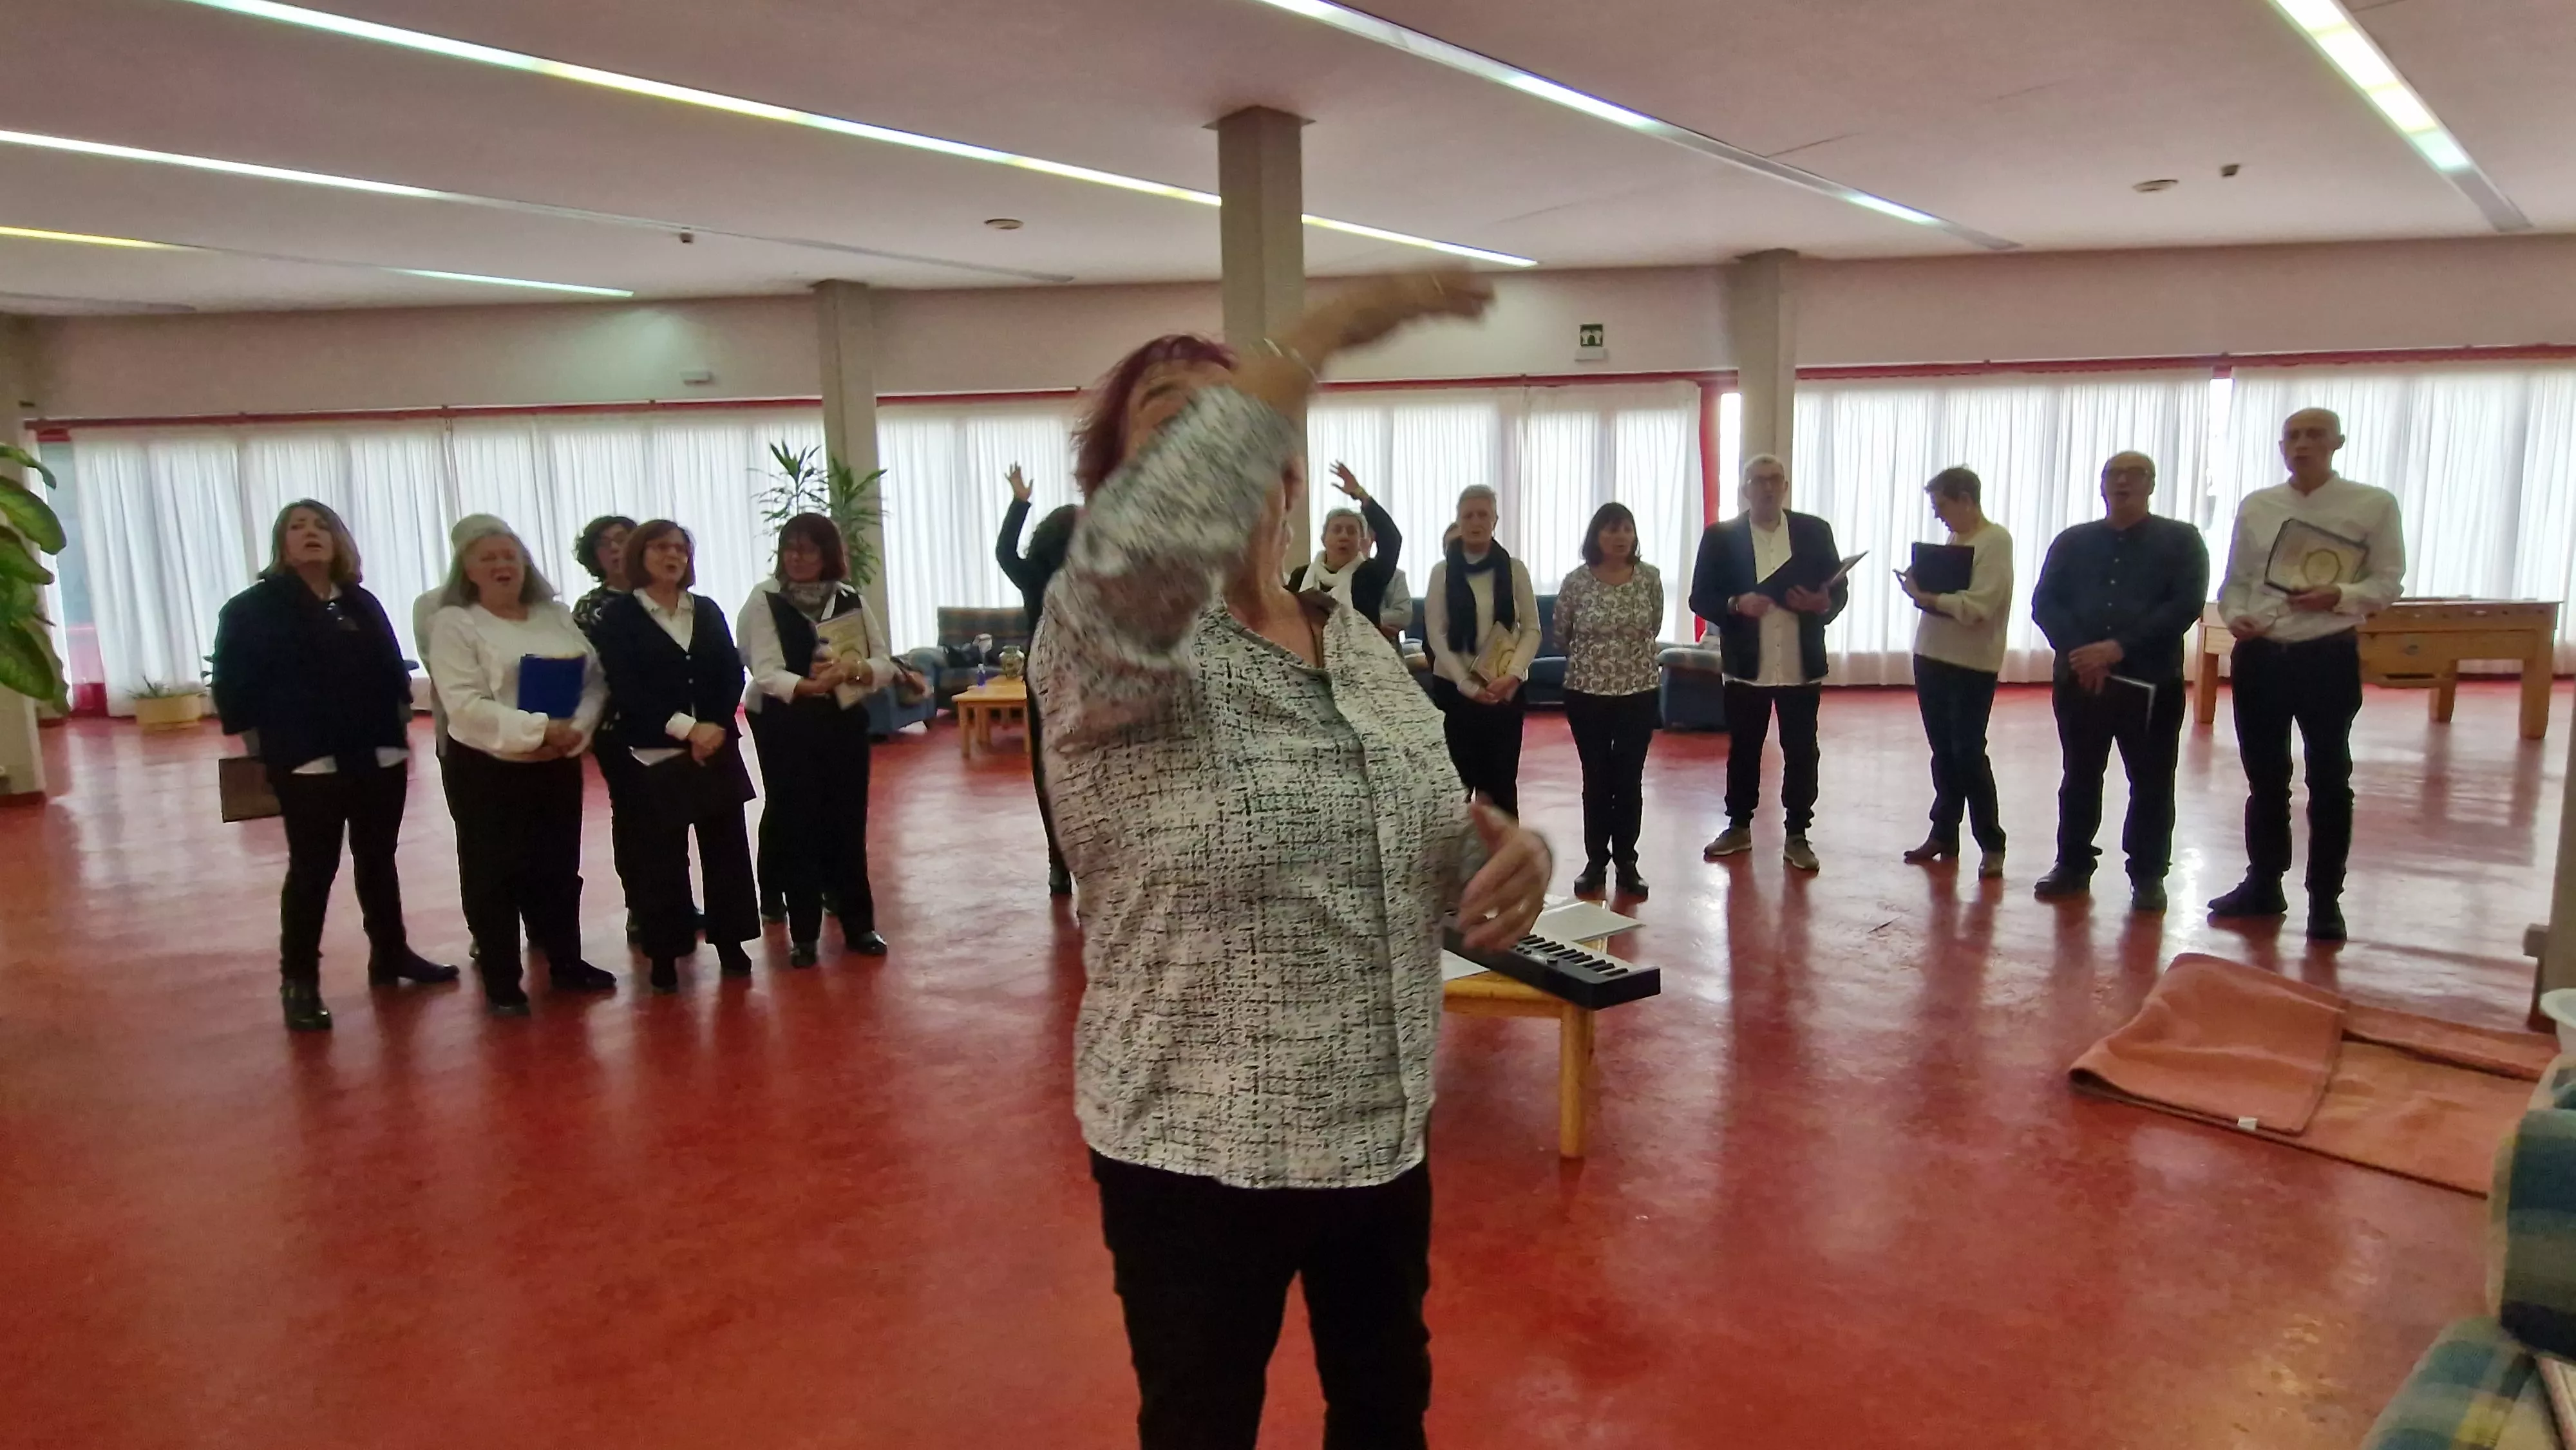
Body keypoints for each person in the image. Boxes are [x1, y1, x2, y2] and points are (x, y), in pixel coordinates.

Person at [1033, 277, 1550, 1450]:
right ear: (1122, 491)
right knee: (1203, 1427)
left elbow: (1417, 853)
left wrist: (1503, 861)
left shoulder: (1354, 640)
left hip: (1380, 1130)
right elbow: (1152, 554)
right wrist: (1315, 338)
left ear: (1289, 473)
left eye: (1240, 415)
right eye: (1174, 420)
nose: (1221, 435)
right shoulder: (1105, 648)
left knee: (1386, 1413)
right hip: (1197, 1149)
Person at [212, 500, 457, 1033]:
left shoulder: (360, 601)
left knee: (378, 859)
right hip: (307, 759)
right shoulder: (252, 608)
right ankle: (299, 979)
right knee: (312, 869)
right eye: (298, 527)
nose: (311, 534)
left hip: (377, 752)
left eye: (321, 526)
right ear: (281, 544)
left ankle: (390, 952)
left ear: (339, 540)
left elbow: (392, 670)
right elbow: (234, 688)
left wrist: (397, 725)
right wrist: (267, 744)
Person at [2209, 407, 2407, 942]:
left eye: (2314, 435)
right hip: (2260, 656)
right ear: (2281, 447)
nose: (2302, 444)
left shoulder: (2372, 504)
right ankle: (2264, 885)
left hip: (2326, 655)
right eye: (2292, 436)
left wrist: (2339, 594)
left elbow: (2388, 581)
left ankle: (2325, 900)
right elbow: (2236, 581)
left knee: (2329, 779)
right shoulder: (2259, 505)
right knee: (2265, 779)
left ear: (2337, 442)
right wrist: (2235, 616)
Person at [426, 519, 616, 1015]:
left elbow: (594, 680)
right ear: (467, 570)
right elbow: (464, 703)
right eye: (488, 558)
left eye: (510, 556)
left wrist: (575, 731)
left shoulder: (553, 615)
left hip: (557, 760)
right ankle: (502, 981)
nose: (502, 565)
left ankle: (566, 962)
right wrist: (538, 731)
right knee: (494, 875)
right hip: (488, 766)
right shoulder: (455, 623)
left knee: (558, 868)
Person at [2029, 452, 2210, 913]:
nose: (2123, 482)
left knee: (2151, 780)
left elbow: (2184, 605)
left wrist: (2117, 648)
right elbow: (2045, 603)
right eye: (2114, 474)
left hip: (2150, 682)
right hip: (2080, 679)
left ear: (2152, 484)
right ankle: (2072, 864)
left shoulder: (2182, 540)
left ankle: (2148, 874)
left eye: (2135, 475)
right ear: (2102, 484)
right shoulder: (2073, 541)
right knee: (2079, 774)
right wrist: (2082, 653)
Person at [591, 520, 760, 992]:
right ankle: (665, 953)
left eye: (681, 550)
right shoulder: (619, 616)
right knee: (659, 857)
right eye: (661, 548)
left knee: (726, 849)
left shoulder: (704, 609)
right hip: (653, 749)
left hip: (715, 746)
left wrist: (715, 725)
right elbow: (626, 686)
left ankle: (732, 941)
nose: (673, 557)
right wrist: (688, 728)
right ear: (639, 555)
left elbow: (730, 671)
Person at [736, 514, 901, 966]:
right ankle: (804, 934)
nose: (798, 557)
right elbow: (765, 670)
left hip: (842, 721)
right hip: (786, 723)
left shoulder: (849, 598)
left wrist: (855, 670)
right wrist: (809, 686)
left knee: (847, 821)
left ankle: (859, 924)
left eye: (809, 549)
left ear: (828, 554)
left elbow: (883, 662)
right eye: (790, 548)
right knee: (797, 823)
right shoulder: (765, 599)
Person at [1687, 454, 1847, 873]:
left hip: (1800, 660)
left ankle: (1798, 833)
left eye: (1775, 479)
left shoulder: (1814, 531)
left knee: (1802, 749)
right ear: (1745, 489)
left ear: (1785, 486)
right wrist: (1736, 603)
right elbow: (1700, 597)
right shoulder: (1721, 537)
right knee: (1744, 748)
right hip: (1747, 662)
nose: (1768, 487)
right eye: (1758, 480)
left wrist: (1822, 603)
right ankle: (1738, 826)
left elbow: (1838, 590)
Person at [1899, 466, 2015, 880]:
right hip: (1932, 654)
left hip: (1971, 662)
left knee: (1968, 752)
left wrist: (1928, 596)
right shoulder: (1956, 540)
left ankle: (1991, 841)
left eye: (1942, 505)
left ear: (1966, 500)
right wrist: (1924, 589)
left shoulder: (1995, 540)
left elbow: (1980, 605)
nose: (1938, 515)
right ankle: (1944, 832)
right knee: (1943, 752)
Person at [1556, 502, 1663, 900]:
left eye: (1626, 529)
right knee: (1597, 777)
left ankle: (1628, 863)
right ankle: (1595, 862)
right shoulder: (1576, 581)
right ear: (1596, 536)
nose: (1620, 537)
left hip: (1639, 691)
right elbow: (1561, 634)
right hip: (1587, 692)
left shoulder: (1649, 578)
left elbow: (1654, 624)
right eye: (1611, 529)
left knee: (1630, 778)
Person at [1425, 485, 1539, 814]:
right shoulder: (1442, 572)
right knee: (1456, 786)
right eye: (1468, 515)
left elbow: (1532, 629)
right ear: (1458, 521)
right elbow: (1436, 633)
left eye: (1483, 514)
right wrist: (1466, 684)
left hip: (1504, 690)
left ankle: (1502, 848)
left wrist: (1513, 675)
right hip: (1455, 691)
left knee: (1501, 786)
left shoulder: (1514, 569)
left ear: (1495, 520)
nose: (1475, 522)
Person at [998, 464, 1080, 898]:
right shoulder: (1040, 576)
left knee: (1069, 770)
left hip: (1079, 682)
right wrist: (1020, 503)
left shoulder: (1097, 577)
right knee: (1057, 770)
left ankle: (1068, 859)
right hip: (1056, 682)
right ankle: (1062, 859)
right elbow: (1005, 553)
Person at [1287, 463, 1406, 635]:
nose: (1344, 536)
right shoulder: (1301, 576)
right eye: (1337, 530)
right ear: (1324, 539)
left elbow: (1392, 539)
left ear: (1360, 542)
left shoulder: (1370, 574)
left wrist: (1361, 494)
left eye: (1351, 531)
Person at [568, 515, 636, 634]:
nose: (614, 548)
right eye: (604, 544)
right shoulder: (588, 606)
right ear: (594, 558)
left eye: (622, 540)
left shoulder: (659, 594)